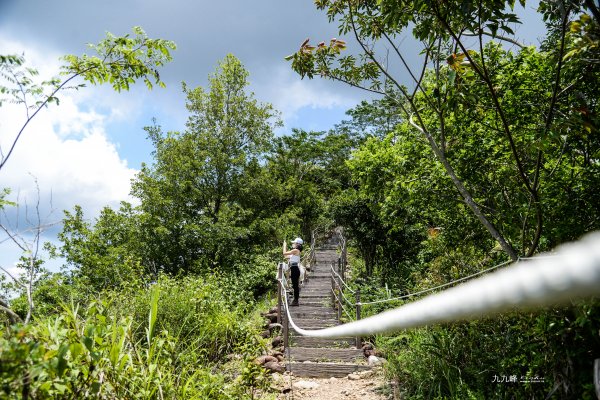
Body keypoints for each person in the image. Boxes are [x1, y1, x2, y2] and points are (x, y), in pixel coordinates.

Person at [283, 237, 303, 306]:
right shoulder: (294, 252)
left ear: (298, 244)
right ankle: (295, 300)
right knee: (295, 285)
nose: (293, 244)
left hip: (295, 269)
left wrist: (284, 245)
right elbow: (286, 256)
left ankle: (296, 301)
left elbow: (284, 253)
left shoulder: (296, 250)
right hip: (293, 269)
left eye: (294, 243)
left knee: (295, 286)